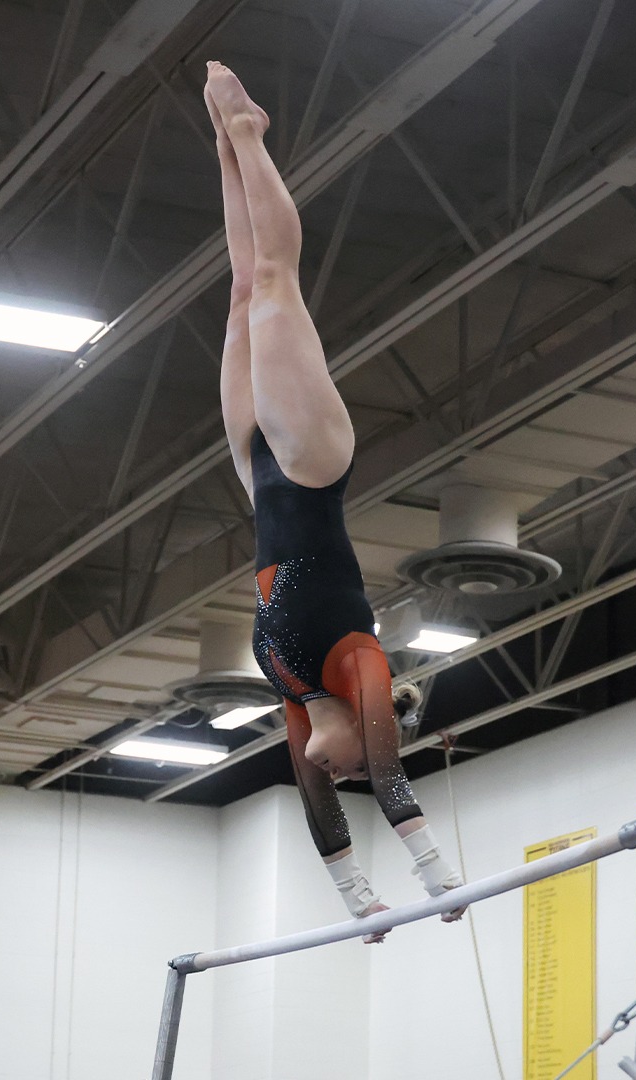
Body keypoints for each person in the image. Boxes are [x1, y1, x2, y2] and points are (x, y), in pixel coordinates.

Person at [204, 61, 464, 938]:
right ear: (371, 722)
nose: (342, 771)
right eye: (356, 763)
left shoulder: (291, 690)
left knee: (242, 293)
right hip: (311, 468)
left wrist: (361, 905)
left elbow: (318, 808)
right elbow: (392, 782)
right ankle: (252, 137)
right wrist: (436, 883)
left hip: (255, 475)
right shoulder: (360, 667)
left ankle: (222, 146)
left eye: (341, 772)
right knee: (277, 282)